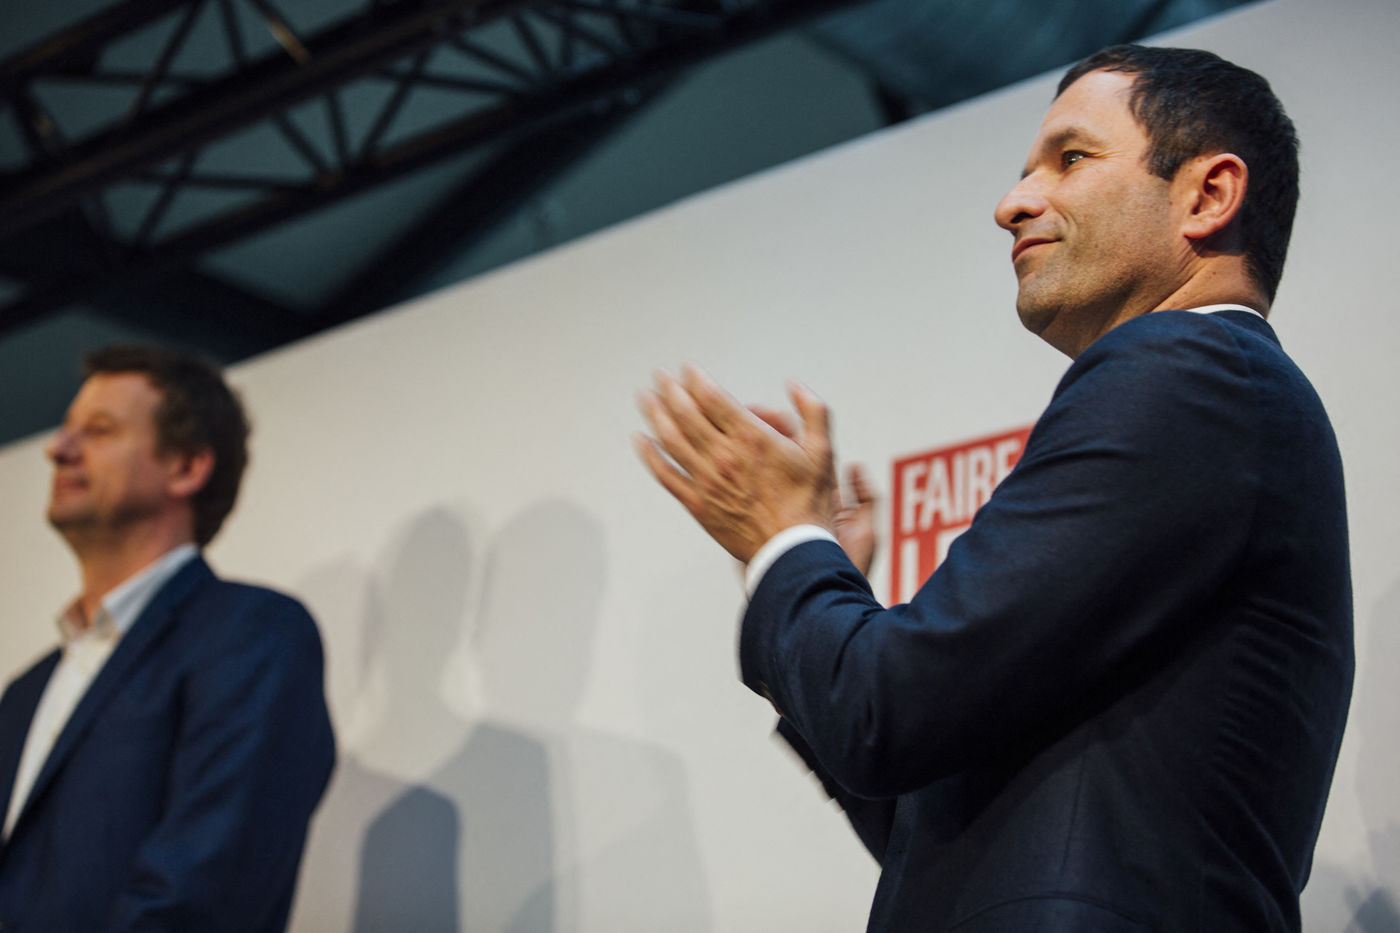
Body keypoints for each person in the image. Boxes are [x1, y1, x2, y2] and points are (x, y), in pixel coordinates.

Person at [636, 44, 1352, 931]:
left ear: (1208, 195)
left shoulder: (1184, 368)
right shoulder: (1214, 396)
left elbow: (882, 716)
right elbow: (943, 830)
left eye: (1071, 158)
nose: (1011, 203)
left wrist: (788, 546)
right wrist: (816, 569)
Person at [0, 345, 336, 933]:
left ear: (186, 468)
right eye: (66, 429)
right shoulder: (25, 691)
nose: (58, 449)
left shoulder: (251, 635)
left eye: (99, 430)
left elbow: (201, 894)